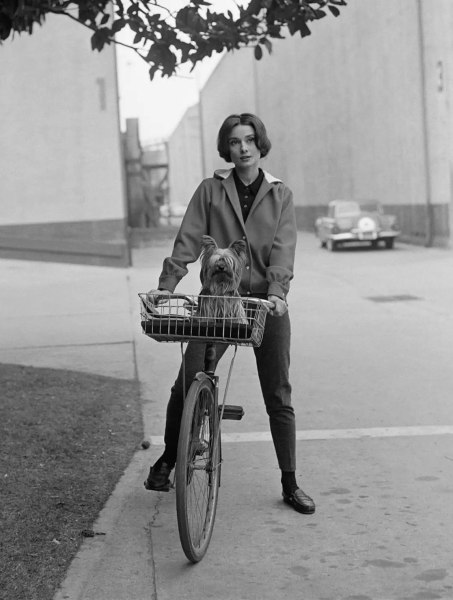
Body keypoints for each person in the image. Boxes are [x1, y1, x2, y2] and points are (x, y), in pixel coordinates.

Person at [144, 113, 315, 515]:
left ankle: (290, 483)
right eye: (235, 141)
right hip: (217, 302)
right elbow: (187, 239)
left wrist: (277, 292)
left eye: (250, 139)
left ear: (260, 144)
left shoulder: (279, 194)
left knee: (278, 394)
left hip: (263, 305)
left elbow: (283, 249)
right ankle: (168, 460)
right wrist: (166, 286)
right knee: (185, 383)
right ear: (227, 147)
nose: (243, 147)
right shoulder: (210, 190)